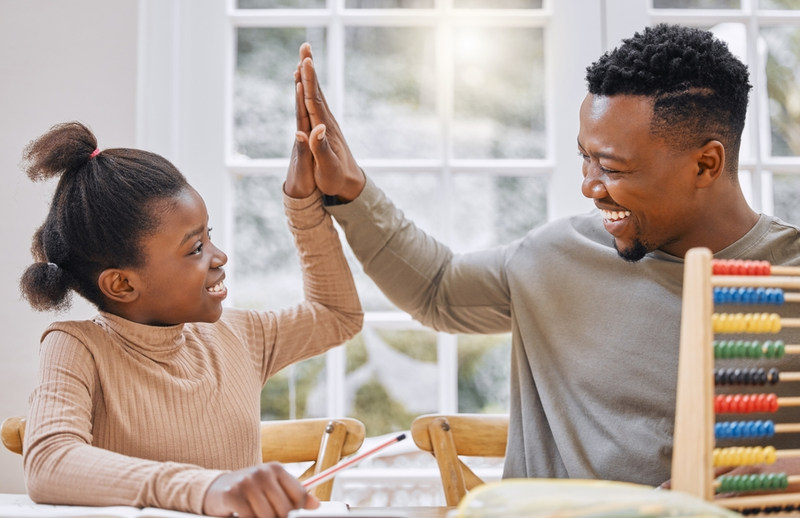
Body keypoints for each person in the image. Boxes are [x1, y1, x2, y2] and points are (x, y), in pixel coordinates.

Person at [291, 25, 800, 488]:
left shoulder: (790, 278)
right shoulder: (560, 256)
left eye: (612, 168)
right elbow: (437, 290)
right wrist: (350, 191)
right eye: (585, 156)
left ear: (706, 164)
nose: (588, 186)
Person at [19, 119, 363, 517]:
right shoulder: (78, 346)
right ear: (122, 285)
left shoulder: (239, 335)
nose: (219, 256)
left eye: (209, 235)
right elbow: (49, 463)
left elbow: (337, 315)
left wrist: (303, 203)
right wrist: (209, 487)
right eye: (196, 247)